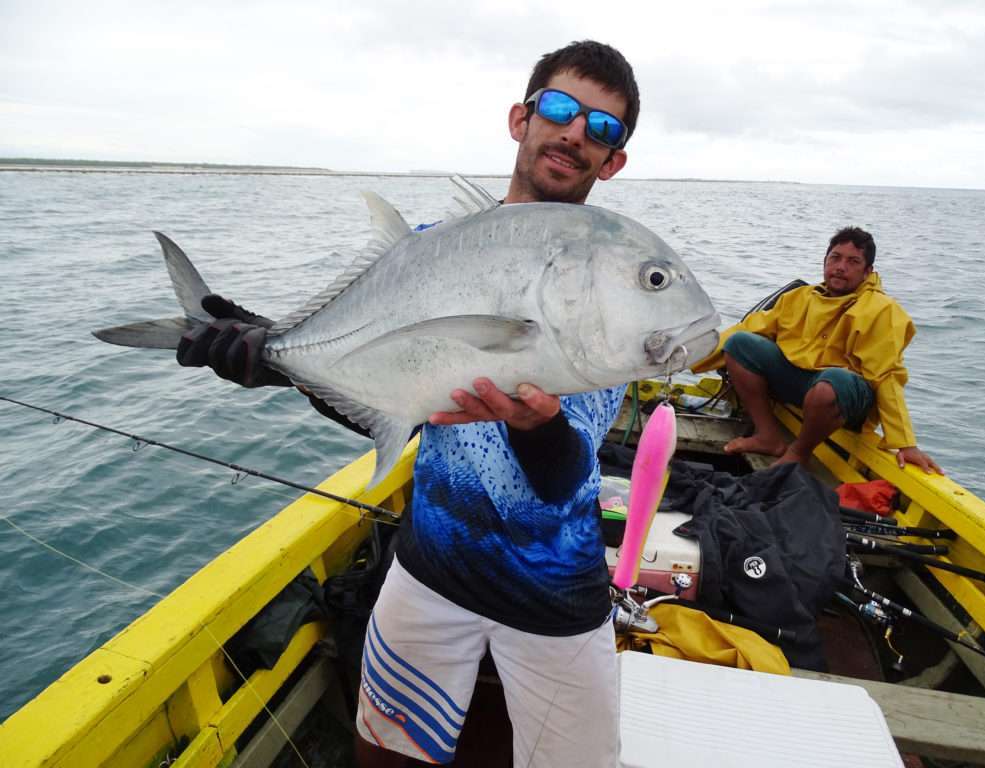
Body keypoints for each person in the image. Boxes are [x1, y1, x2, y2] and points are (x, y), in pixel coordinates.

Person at [177, 40, 639, 768]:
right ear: (520, 119)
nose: (577, 132)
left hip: (555, 596)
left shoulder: (601, 282)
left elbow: (559, 478)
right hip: (430, 571)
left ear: (612, 162)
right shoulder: (426, 251)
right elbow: (390, 396)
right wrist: (274, 361)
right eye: (560, 109)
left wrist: (536, 427)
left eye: (603, 129)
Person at [691, 226, 943, 474]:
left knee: (830, 383)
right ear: (825, 261)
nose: (841, 267)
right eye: (835, 258)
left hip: (845, 396)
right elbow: (747, 328)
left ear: (867, 272)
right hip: (804, 383)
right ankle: (768, 436)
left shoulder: (881, 310)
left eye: (853, 261)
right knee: (740, 343)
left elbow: (887, 375)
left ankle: (799, 452)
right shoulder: (800, 297)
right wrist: (685, 356)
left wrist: (905, 443)